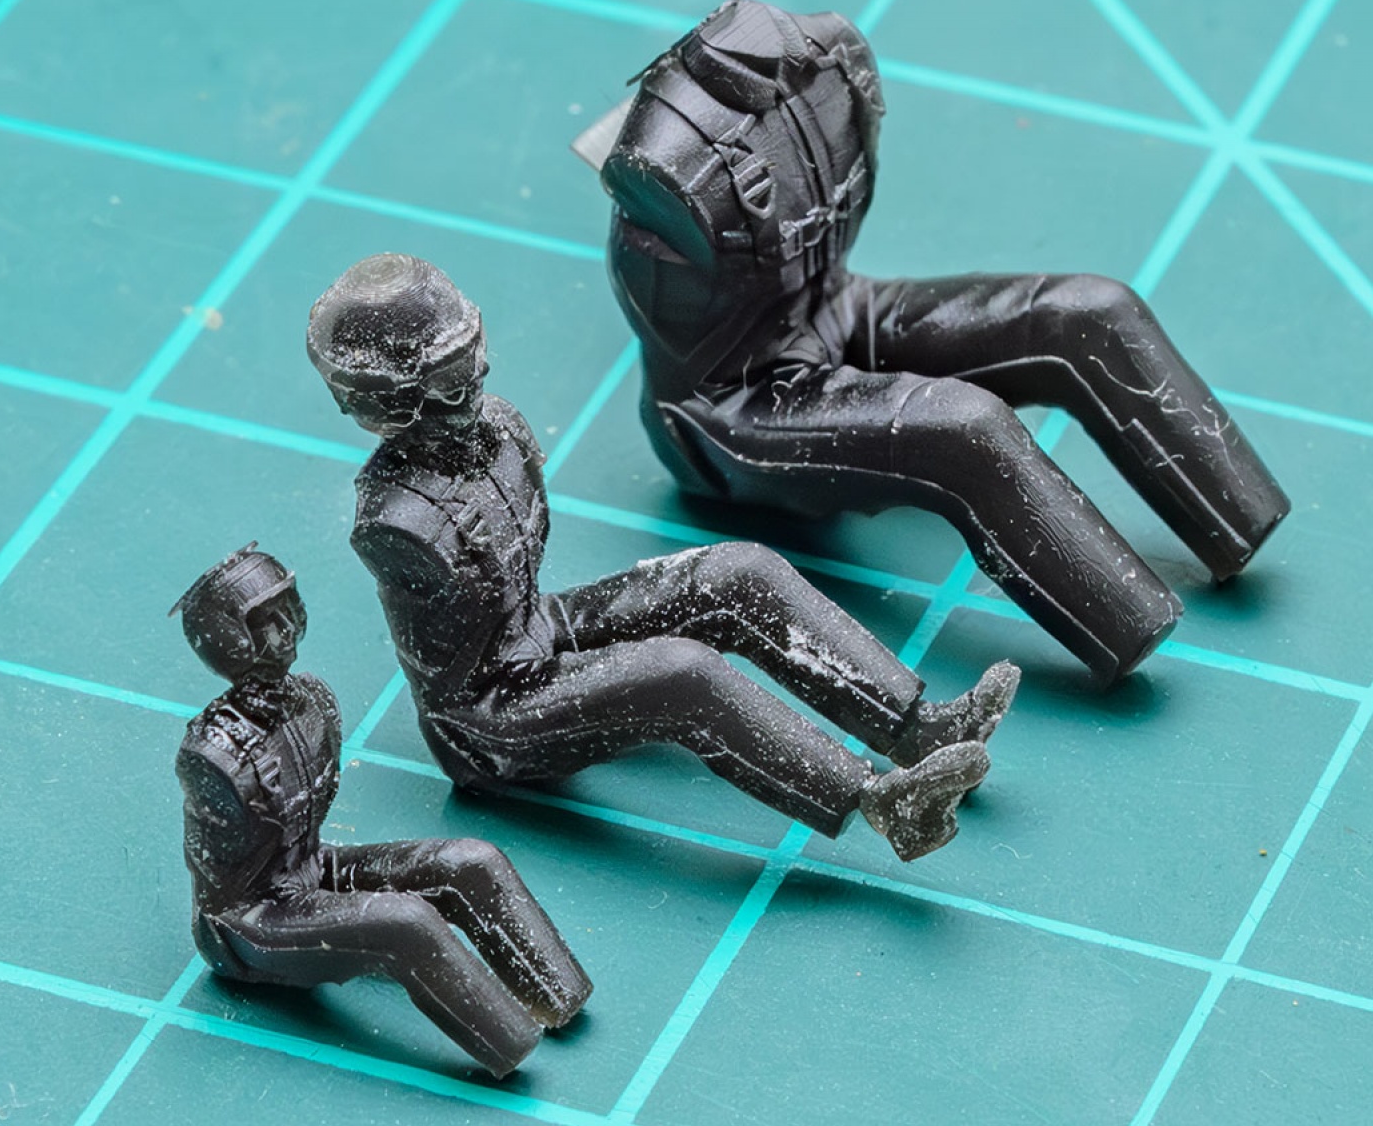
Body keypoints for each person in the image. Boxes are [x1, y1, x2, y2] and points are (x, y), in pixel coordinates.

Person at [579, 0, 1291, 683]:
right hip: (733, 404)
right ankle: (1128, 623)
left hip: (836, 305)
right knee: (963, 432)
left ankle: (1238, 518)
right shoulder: (658, 166)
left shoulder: (828, 60)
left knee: (1088, 313)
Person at [307, 254, 1020, 862]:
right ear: (387, 401)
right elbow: (470, 669)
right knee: (680, 675)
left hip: (540, 630)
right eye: (444, 375)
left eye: (470, 356)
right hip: (491, 713)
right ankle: (881, 802)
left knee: (739, 575)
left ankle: (918, 728)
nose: (471, 381)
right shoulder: (397, 522)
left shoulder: (501, 429)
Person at [173, 544, 590, 1078]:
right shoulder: (213, 756)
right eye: (263, 622)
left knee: (469, 861)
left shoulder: (312, 700)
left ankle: (559, 994)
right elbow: (228, 883)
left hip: (310, 869)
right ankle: (511, 1046)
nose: (285, 631)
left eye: (287, 610)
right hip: (251, 920)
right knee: (405, 924)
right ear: (228, 640)